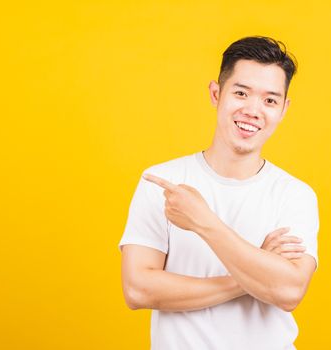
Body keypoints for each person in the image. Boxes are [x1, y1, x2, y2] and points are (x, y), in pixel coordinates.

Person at [118, 36, 319, 350]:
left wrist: (203, 222)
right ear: (216, 93)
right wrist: (253, 276)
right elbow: (138, 290)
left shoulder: (294, 195)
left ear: (283, 109)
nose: (253, 110)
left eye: (270, 100)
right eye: (241, 93)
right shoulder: (164, 181)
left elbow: (289, 291)